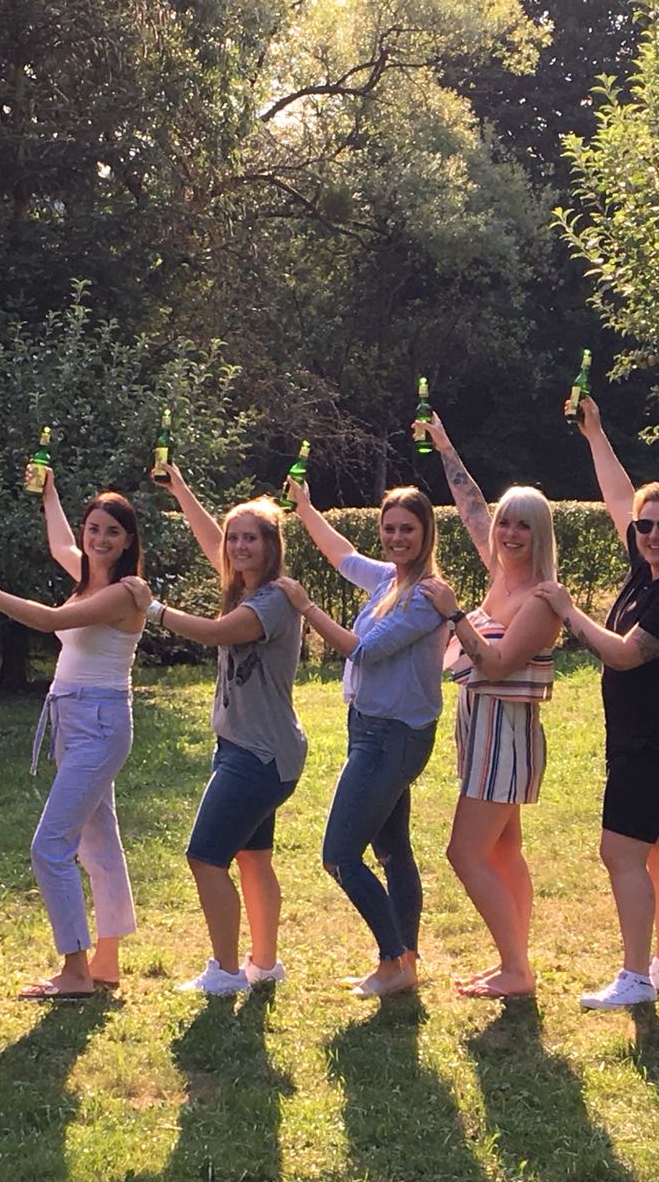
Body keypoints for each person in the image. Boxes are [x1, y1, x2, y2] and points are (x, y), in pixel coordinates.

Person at [531, 396, 659, 1009]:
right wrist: (595, 432)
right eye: (646, 526)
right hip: (652, 735)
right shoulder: (650, 570)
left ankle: (635, 977)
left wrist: (567, 610)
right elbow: (620, 496)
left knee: (619, 851)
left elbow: (622, 654)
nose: (653, 534)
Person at [0, 468, 147, 999]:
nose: (99, 539)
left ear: (129, 541)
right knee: (99, 843)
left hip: (100, 721)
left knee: (50, 846)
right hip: (74, 718)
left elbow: (47, 619)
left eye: (112, 532)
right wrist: (51, 491)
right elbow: (59, 543)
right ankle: (104, 963)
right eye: (93, 528)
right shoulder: (88, 576)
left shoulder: (126, 592)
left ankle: (75, 971)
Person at [272, 479, 449, 997]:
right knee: (392, 850)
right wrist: (306, 508)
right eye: (389, 528)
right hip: (371, 729)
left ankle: (392, 960)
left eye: (407, 529)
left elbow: (365, 651)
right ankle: (405, 961)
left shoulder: (425, 597)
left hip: (393, 738)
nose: (396, 538)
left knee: (340, 856)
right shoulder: (390, 578)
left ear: (426, 532)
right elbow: (343, 555)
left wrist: (305, 606)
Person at [413, 413, 560, 999]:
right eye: (506, 523)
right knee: (503, 850)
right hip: (483, 731)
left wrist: (454, 613)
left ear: (541, 534)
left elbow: (497, 665)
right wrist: (445, 445)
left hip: (507, 737)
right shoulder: (501, 572)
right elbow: (472, 505)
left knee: (465, 852)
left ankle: (515, 970)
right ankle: (514, 960)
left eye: (524, 525)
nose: (510, 533)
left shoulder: (542, 598)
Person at [146, 464, 307, 995]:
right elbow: (210, 539)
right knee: (253, 858)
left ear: (271, 545)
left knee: (204, 856)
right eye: (234, 538)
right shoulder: (246, 585)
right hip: (252, 747)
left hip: (258, 755)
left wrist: (153, 609)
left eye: (250, 538)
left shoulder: (273, 600)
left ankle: (225, 970)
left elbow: (218, 633)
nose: (238, 546)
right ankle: (265, 964)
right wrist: (180, 488)